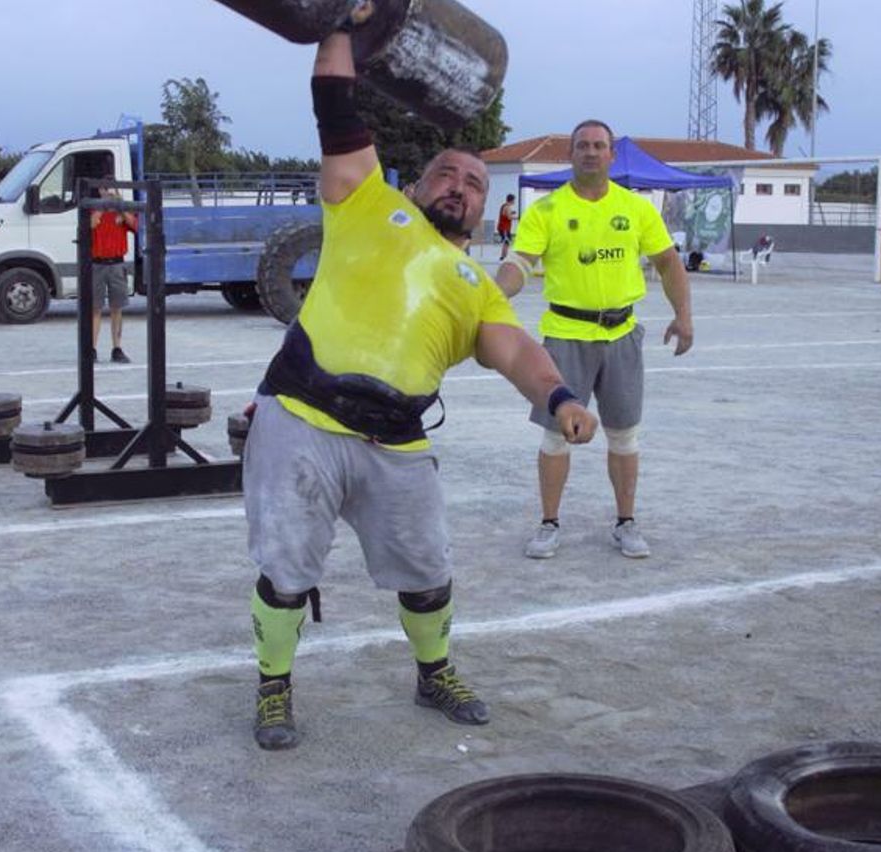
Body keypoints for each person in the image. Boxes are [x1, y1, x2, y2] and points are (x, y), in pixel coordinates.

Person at [241, 29, 598, 751]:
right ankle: (273, 688)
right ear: (416, 183)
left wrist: (559, 398)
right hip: (302, 416)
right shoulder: (366, 204)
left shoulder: (478, 288)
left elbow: (518, 350)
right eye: (447, 174)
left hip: (396, 439)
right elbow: (335, 107)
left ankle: (434, 674)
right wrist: (338, 26)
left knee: (429, 571)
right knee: (285, 570)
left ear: (483, 211)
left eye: (474, 185)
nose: (460, 187)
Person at [495, 120, 694, 560]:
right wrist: (496, 291)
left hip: (622, 334)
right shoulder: (546, 211)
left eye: (598, 146)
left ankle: (626, 522)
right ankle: (549, 524)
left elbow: (667, 262)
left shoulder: (637, 209)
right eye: (582, 145)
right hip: (565, 336)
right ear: (571, 154)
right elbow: (521, 262)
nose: (590, 152)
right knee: (555, 437)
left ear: (611, 155)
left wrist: (684, 316)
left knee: (624, 435)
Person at [89, 187, 136, 363]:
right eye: (104, 190)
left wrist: (120, 208)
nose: (107, 193)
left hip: (117, 263)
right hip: (98, 263)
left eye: (111, 189)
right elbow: (90, 225)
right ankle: (92, 348)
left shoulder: (122, 210)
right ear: (100, 191)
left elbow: (134, 225)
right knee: (95, 308)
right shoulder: (93, 209)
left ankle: (117, 347)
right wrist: (103, 207)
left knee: (117, 307)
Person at [496, 193, 516, 260]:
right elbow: (509, 217)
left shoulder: (504, 206)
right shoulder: (508, 207)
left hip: (503, 227)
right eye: (514, 200)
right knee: (506, 241)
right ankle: (503, 256)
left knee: (507, 242)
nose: (514, 202)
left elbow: (504, 214)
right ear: (511, 200)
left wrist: (512, 213)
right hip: (504, 227)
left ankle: (503, 256)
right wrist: (518, 217)